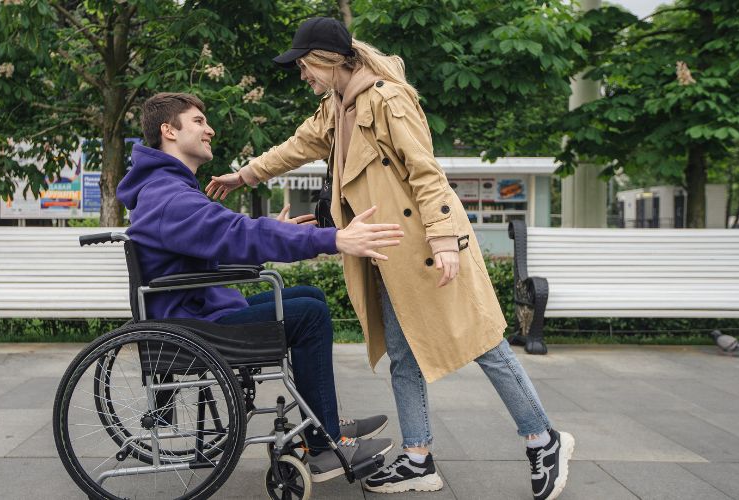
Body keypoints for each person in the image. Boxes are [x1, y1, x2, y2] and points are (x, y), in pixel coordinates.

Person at [206, 17, 575, 500]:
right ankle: (418, 458)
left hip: (426, 244)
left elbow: (426, 172)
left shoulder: (386, 99)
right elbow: (298, 147)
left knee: (484, 342)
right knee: (404, 354)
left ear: (327, 60)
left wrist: (443, 240)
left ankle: (543, 440)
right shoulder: (336, 106)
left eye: (303, 66)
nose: (302, 76)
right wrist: (245, 176)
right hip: (388, 250)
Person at [117, 91, 403, 482]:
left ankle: (322, 421)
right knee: (311, 314)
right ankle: (324, 445)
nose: (210, 129)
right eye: (199, 121)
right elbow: (236, 231)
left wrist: (281, 236)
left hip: (195, 312)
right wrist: (331, 239)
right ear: (169, 131)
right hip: (192, 325)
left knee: (309, 297)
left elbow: (219, 245)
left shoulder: (167, 189)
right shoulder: (169, 196)